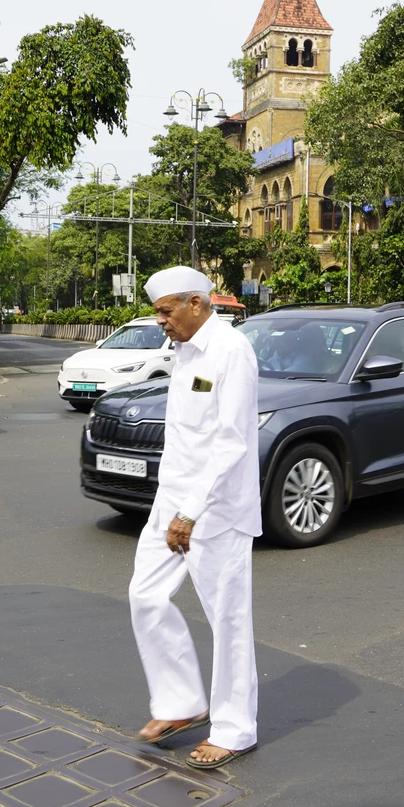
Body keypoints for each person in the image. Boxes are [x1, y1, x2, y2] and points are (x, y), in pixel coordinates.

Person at [128, 266, 261, 772]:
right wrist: (173, 505)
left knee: (227, 619)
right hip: (174, 500)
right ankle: (182, 702)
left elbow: (231, 442)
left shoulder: (231, 353)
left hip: (218, 508)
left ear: (197, 304)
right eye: (159, 311)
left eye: (166, 311)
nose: (160, 320)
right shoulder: (183, 350)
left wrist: (190, 511)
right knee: (145, 595)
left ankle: (235, 730)